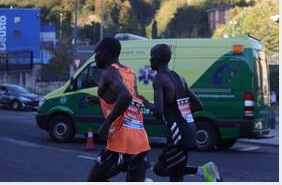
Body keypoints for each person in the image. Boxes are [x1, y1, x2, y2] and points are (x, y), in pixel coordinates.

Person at [139, 43, 222, 182]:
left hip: (177, 133)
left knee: (170, 172)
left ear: (157, 59)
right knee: (166, 171)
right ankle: (202, 171)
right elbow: (198, 104)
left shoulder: (159, 78)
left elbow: (159, 111)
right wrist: (180, 114)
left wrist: (145, 102)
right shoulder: (179, 78)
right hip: (188, 128)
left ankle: (204, 171)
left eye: (151, 58)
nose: (149, 61)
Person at [86, 37, 151, 182]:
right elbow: (132, 101)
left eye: (96, 52)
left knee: (94, 179)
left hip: (121, 139)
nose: (95, 56)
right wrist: (100, 101)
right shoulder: (129, 73)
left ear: (104, 52)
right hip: (139, 138)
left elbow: (126, 97)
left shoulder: (109, 72)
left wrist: (106, 124)